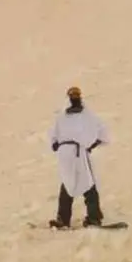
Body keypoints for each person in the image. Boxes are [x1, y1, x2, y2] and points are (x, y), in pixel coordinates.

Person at [47, 86, 109, 228]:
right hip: (72, 153)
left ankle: (81, 218)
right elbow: (101, 133)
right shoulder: (65, 117)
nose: (75, 99)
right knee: (77, 184)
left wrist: (89, 145)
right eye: (73, 96)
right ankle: (87, 218)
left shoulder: (85, 116)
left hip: (76, 153)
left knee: (79, 184)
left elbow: (53, 139)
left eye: (76, 96)